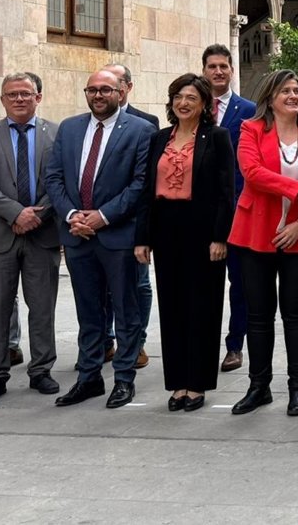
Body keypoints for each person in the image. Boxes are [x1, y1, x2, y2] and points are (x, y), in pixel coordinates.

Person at [44, 69, 155, 408]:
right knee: (88, 312)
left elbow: (140, 184)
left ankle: (123, 379)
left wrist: (102, 216)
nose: (98, 95)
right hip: (78, 236)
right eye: (92, 90)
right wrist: (71, 215)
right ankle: (89, 377)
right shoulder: (70, 128)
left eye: (106, 89)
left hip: (117, 236)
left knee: (126, 311)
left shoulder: (141, 130)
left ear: (121, 92)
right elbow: (54, 177)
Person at [228, 70, 298, 417]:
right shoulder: (251, 129)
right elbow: (252, 172)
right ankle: (259, 387)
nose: (292, 96)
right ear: (270, 98)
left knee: (296, 314)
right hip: (256, 233)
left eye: (296, 91)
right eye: (285, 91)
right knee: (258, 315)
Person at [134, 74, 236, 412]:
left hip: (203, 232)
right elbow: (146, 190)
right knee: (172, 307)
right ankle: (177, 382)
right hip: (166, 228)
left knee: (203, 307)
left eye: (191, 97)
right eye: (178, 96)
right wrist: (142, 238)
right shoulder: (159, 138)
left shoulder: (217, 137)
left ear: (204, 103)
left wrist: (220, 236)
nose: (183, 103)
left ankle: (197, 383)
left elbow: (226, 192)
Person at [0, 72, 61, 404]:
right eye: (12, 94)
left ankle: (41, 370)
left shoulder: (57, 134)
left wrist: (36, 215)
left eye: (25, 93)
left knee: (43, 307)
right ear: (2, 99)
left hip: (42, 234)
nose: (19, 99)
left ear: (38, 97)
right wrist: (15, 213)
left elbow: (61, 180)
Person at [202, 44, 258, 374]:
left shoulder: (248, 110)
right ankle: (202, 344)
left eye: (224, 66)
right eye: (212, 66)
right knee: (204, 284)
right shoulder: (192, 107)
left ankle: (235, 345)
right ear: (204, 70)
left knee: (240, 283)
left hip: (238, 213)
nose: (218, 71)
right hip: (200, 215)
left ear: (232, 70)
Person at [101, 62, 157, 369]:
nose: (106, 91)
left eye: (115, 83)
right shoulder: (89, 122)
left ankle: (136, 342)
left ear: (127, 88)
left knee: (139, 285)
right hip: (98, 220)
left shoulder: (146, 123)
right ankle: (105, 341)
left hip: (133, 220)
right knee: (104, 287)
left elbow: (146, 178)